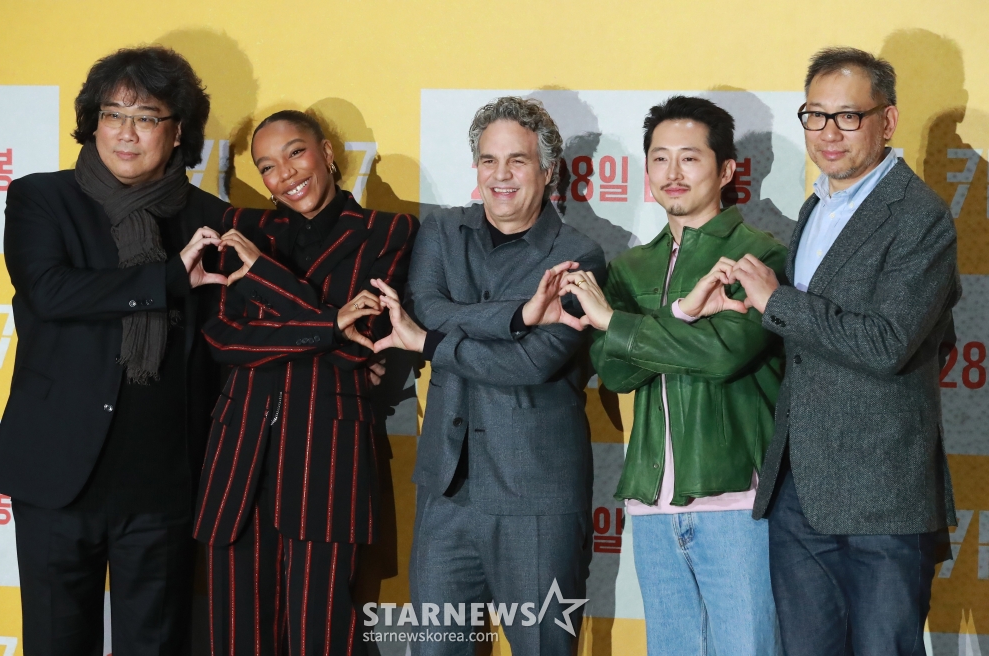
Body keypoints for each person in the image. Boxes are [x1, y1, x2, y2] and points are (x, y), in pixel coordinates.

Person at [701, 47, 960, 655]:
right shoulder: (817, 205)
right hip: (799, 488)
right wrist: (755, 311)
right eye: (815, 116)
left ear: (887, 121)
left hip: (882, 494)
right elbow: (812, 334)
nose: (828, 133)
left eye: (848, 116)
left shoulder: (919, 216)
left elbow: (887, 342)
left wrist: (779, 301)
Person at [0, 46, 230, 656]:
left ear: (177, 132)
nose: (126, 132)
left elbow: (227, 343)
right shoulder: (42, 198)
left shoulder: (211, 219)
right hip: (57, 474)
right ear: (93, 122)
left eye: (146, 117)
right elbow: (50, 291)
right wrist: (167, 279)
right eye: (113, 113)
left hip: (163, 482)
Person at [372, 96, 605, 655]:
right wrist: (520, 316)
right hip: (446, 493)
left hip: (537, 499)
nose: (501, 175)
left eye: (517, 161)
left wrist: (430, 343)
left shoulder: (578, 255)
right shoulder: (442, 231)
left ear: (548, 172)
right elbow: (426, 306)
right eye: (488, 160)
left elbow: (531, 363)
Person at [553, 95, 785, 655]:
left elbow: (723, 353)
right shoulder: (631, 267)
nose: (672, 172)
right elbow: (615, 371)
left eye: (690, 157)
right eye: (659, 158)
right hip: (651, 506)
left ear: (726, 171)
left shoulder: (760, 256)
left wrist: (616, 322)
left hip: (738, 502)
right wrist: (679, 315)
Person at [192, 110, 417, 656]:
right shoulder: (242, 229)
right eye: (267, 166)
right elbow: (224, 339)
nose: (285, 173)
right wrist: (329, 323)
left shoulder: (388, 232)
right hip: (238, 462)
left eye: (296, 152)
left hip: (328, 460)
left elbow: (362, 343)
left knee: (323, 637)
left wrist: (264, 279)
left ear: (328, 152)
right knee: (236, 640)